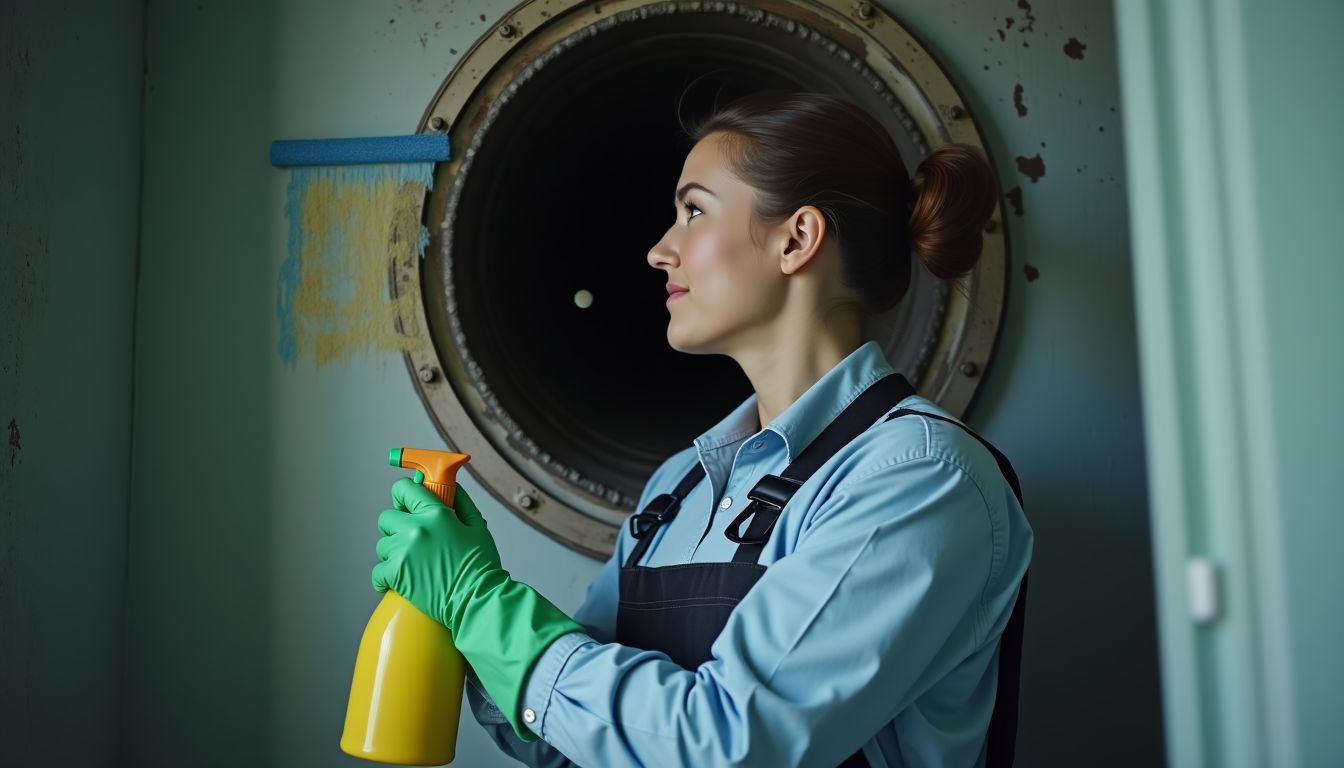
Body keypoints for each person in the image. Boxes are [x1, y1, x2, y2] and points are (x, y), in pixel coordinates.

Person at [372, 90, 1034, 767]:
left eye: (693, 211)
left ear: (796, 239)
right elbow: (567, 742)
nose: (660, 251)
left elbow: (724, 747)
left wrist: (482, 606)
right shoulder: (677, 492)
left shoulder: (919, 478)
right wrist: (456, 610)